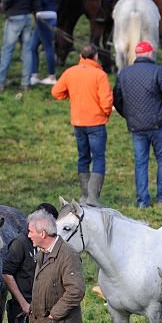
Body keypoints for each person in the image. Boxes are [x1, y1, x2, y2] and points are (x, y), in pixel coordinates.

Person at [2, 202, 59, 323]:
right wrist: (23, 303)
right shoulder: (21, 243)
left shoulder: (54, 244)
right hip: (26, 311)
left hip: (48, 310)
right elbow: (7, 273)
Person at [113, 40, 162, 208]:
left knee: (141, 162)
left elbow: (117, 99)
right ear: (149, 54)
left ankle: (142, 201)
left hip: (136, 127)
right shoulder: (157, 71)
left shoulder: (124, 74)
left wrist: (128, 116)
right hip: (158, 124)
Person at [28, 209, 85, 323]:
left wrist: (54, 315)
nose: (28, 235)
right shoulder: (43, 255)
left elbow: (76, 290)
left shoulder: (68, 255)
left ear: (42, 233)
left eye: (30, 231)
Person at [52, 43, 113, 204]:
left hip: (78, 122)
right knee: (98, 157)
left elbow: (56, 91)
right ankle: (93, 197)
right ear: (96, 57)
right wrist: (106, 113)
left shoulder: (70, 72)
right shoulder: (100, 75)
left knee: (83, 157)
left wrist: (69, 96)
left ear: (81, 56)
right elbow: (107, 101)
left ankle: (84, 195)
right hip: (97, 123)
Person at [0, 0, 39, 92]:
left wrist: (3, 7)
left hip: (14, 17)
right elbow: (36, 1)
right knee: (27, 51)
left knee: (7, 50)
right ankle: (26, 83)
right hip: (27, 17)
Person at [28, 0, 60, 86]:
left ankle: (52, 76)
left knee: (48, 47)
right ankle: (34, 74)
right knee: (33, 46)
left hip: (44, 15)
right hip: (52, 13)